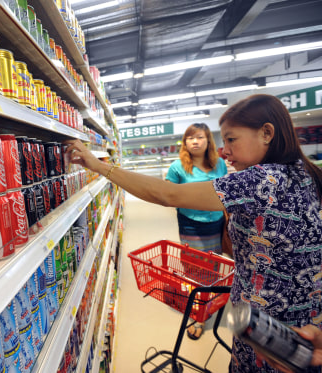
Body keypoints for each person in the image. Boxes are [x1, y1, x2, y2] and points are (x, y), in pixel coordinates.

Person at [64, 94, 322, 373]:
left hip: (268, 336)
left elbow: (167, 194)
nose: (225, 151)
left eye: (231, 139)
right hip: (305, 328)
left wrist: (98, 164)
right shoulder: (307, 174)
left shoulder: (262, 179)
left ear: (266, 133)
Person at [165, 123, 227, 340]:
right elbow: (168, 193)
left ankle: (204, 304)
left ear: (208, 140)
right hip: (190, 223)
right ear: (185, 143)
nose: (195, 141)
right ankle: (199, 314)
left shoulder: (220, 164)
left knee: (213, 266)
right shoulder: (177, 167)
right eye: (190, 138)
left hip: (216, 223)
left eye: (199, 137)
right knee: (194, 268)